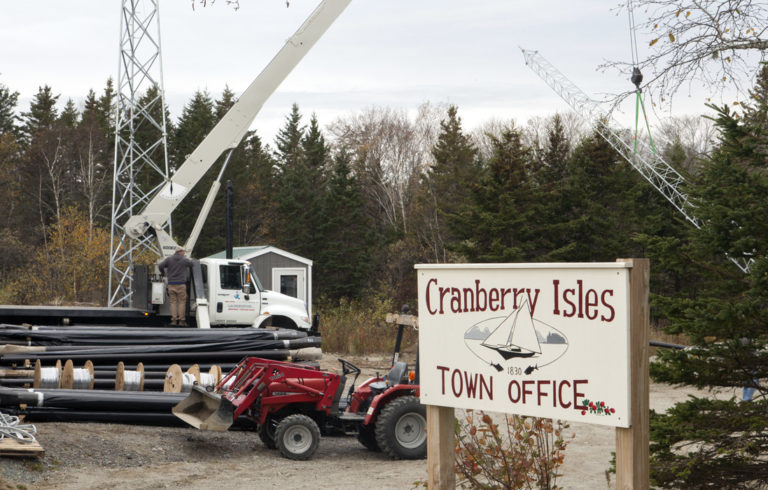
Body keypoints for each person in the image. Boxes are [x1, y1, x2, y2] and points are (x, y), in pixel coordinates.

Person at [158, 246, 192, 326]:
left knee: (173, 302)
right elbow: (191, 264)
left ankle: (173, 320)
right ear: (180, 252)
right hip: (181, 284)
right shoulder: (184, 260)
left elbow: (160, 266)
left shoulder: (169, 259)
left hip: (171, 284)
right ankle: (181, 321)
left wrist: (163, 273)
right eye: (183, 251)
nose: (184, 253)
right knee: (182, 302)